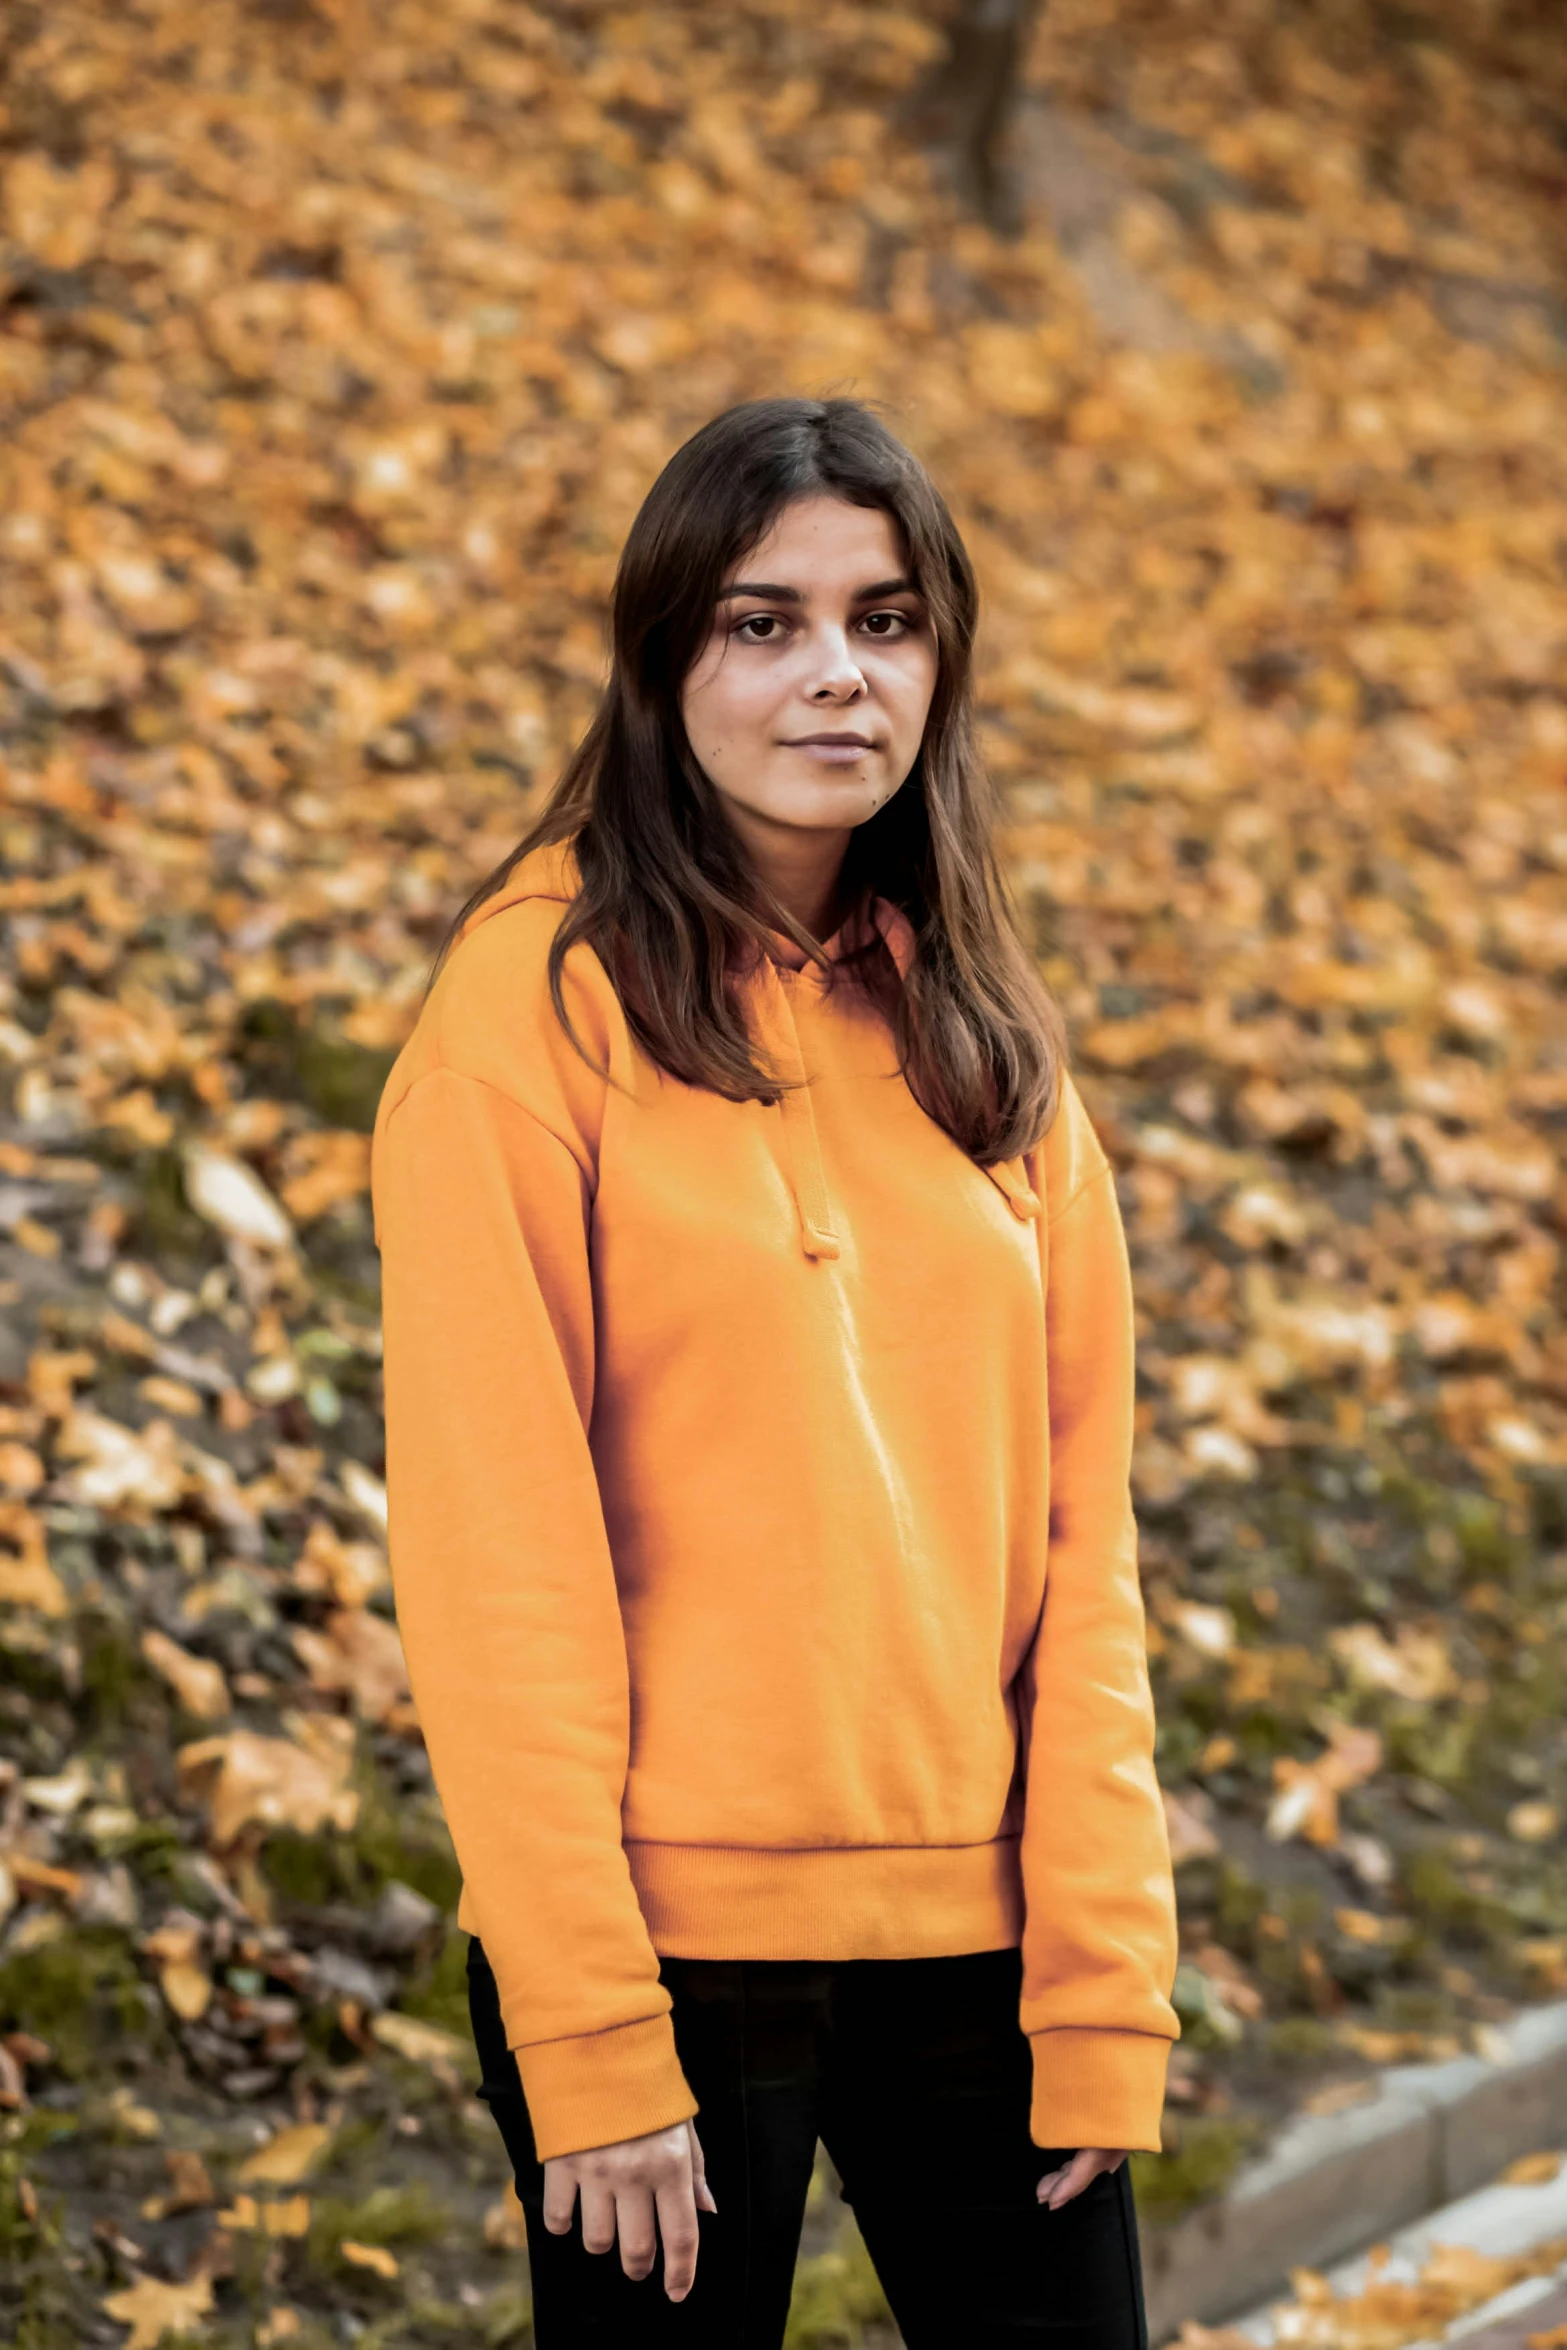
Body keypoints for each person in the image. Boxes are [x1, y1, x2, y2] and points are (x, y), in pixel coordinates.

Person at [370, 396, 1179, 2349]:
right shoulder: (528, 1014)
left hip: (980, 1944)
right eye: (763, 620)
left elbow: (1086, 1554)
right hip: (669, 1951)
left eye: (885, 621)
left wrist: (1100, 1974)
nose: (835, 670)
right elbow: (503, 1553)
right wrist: (584, 2021)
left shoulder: (989, 1044)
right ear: (664, 664)